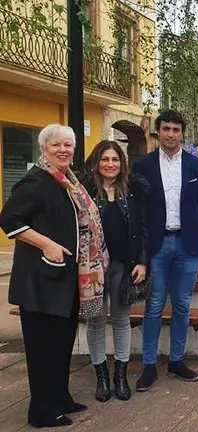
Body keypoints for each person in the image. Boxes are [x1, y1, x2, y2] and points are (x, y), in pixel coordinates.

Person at [0, 124, 108, 427]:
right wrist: (46, 244)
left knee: (61, 346)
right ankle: (41, 411)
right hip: (40, 283)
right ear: (44, 148)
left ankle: (60, 398)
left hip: (65, 282)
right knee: (43, 350)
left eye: (68, 146)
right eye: (56, 145)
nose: (63, 150)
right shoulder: (36, 181)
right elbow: (8, 218)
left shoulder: (66, 182)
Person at [132, 110, 198, 391]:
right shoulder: (143, 166)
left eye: (176, 130)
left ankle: (177, 361)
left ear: (182, 133)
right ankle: (150, 366)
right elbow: (138, 209)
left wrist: (189, 228)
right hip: (157, 245)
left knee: (182, 305)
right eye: (166, 129)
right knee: (153, 306)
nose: (170, 134)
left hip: (187, 245)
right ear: (158, 132)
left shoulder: (196, 167)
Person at [81, 140, 149, 402]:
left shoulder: (132, 191)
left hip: (123, 266)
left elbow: (143, 229)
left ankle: (120, 376)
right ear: (97, 162)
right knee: (95, 321)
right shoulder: (85, 191)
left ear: (122, 163)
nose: (111, 164)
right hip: (92, 270)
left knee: (122, 320)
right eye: (105, 159)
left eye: (115, 159)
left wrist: (142, 262)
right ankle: (101, 378)